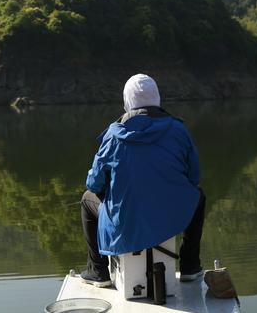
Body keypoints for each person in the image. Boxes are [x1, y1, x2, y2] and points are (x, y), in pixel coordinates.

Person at [80, 74, 206, 288]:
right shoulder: (178, 130)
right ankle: (189, 266)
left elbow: (94, 184)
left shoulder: (113, 135)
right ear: (156, 97)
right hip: (169, 215)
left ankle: (98, 271)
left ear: (127, 100)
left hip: (126, 220)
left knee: (86, 199)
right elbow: (194, 177)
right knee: (198, 197)